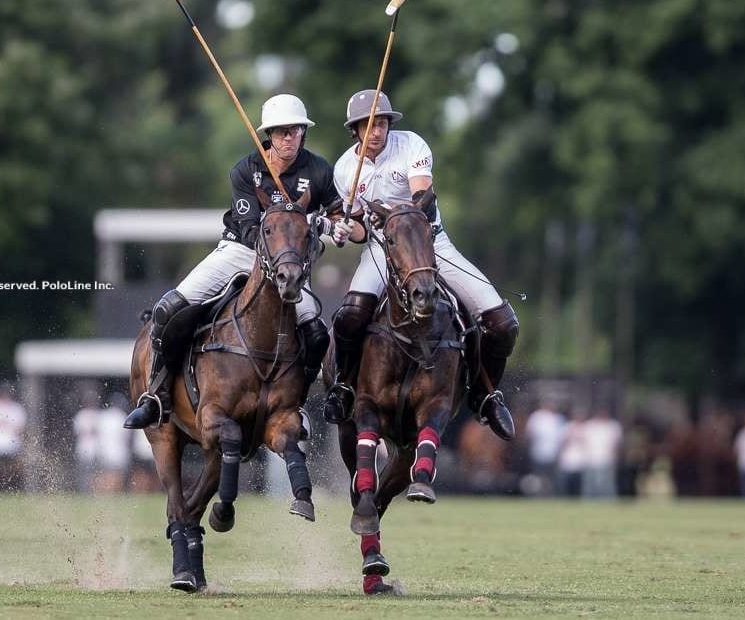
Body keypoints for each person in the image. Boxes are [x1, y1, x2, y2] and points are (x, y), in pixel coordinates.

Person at [124, 94, 346, 429]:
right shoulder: (246, 170)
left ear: (304, 132)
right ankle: (157, 394)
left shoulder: (318, 170)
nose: (289, 137)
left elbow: (339, 215)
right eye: (282, 131)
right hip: (240, 252)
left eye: (296, 130)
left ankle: (296, 402)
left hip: (288, 266)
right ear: (268, 135)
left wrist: (337, 226)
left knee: (316, 333)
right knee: (168, 308)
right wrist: (304, 222)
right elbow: (249, 229)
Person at [321, 89, 519, 440]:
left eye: (381, 123)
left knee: (501, 323)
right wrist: (349, 229)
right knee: (350, 315)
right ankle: (343, 386)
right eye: (368, 125)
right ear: (355, 130)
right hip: (383, 252)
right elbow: (362, 230)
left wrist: (390, 216)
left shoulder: (411, 145)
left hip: (431, 245)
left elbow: (421, 197)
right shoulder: (344, 170)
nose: (376, 131)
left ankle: (485, 394)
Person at [0, 381, 27, 491]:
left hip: (12, 444)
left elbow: (20, 429)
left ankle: (10, 488)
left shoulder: (17, 408)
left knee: (10, 469)